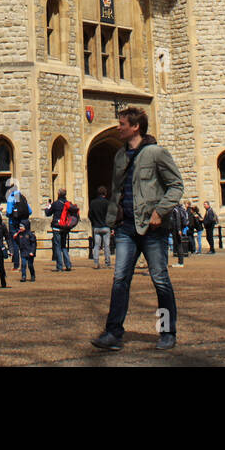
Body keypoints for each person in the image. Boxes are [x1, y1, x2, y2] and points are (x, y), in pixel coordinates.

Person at [91, 107, 183, 352]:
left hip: (152, 228)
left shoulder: (156, 153)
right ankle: (113, 333)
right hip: (126, 228)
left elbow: (176, 186)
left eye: (122, 124)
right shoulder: (120, 156)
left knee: (160, 280)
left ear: (135, 127)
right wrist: (113, 221)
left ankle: (166, 331)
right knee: (120, 280)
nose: (118, 127)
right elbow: (117, 192)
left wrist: (159, 212)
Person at [45, 189, 77, 271]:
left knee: (57, 246)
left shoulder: (55, 204)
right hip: (65, 227)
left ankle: (59, 266)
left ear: (58, 194)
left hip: (57, 227)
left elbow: (48, 213)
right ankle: (68, 265)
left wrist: (48, 206)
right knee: (63, 246)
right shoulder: (68, 203)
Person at [5, 178, 30, 273]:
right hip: (23, 223)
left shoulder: (11, 198)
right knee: (24, 243)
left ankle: (16, 265)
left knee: (15, 244)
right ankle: (25, 263)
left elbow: (8, 212)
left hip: (13, 223)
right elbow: (30, 211)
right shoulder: (22, 197)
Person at [89, 185, 112, 268]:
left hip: (96, 227)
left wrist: (94, 222)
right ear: (105, 193)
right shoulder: (107, 203)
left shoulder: (93, 203)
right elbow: (110, 216)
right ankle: (107, 263)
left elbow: (90, 215)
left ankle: (96, 262)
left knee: (96, 245)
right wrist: (111, 227)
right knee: (107, 246)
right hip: (106, 226)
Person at [14, 214, 37, 281]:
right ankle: (23, 276)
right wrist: (15, 238)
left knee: (30, 265)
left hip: (29, 252)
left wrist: (32, 252)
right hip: (23, 252)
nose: (20, 228)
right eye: (20, 226)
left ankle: (32, 275)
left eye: (22, 226)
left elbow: (33, 244)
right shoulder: (20, 234)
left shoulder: (30, 235)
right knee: (23, 265)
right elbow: (18, 242)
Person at [170, 199, 187, 267]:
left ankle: (180, 262)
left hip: (176, 229)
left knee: (178, 244)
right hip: (177, 229)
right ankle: (180, 262)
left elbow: (178, 219)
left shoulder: (175, 209)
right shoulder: (179, 208)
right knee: (178, 244)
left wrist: (179, 229)